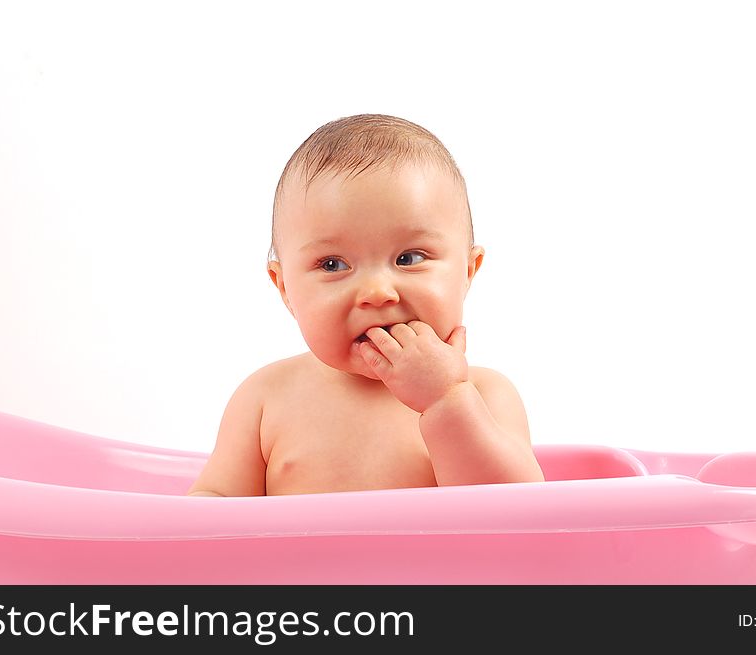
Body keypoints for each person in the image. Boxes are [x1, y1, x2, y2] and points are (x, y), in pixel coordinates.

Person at [188, 114, 545, 496]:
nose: (377, 292)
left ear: (468, 272)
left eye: (409, 258)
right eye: (333, 265)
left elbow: (521, 516)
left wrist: (446, 401)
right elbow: (213, 510)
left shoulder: (484, 395)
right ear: (285, 288)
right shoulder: (263, 399)